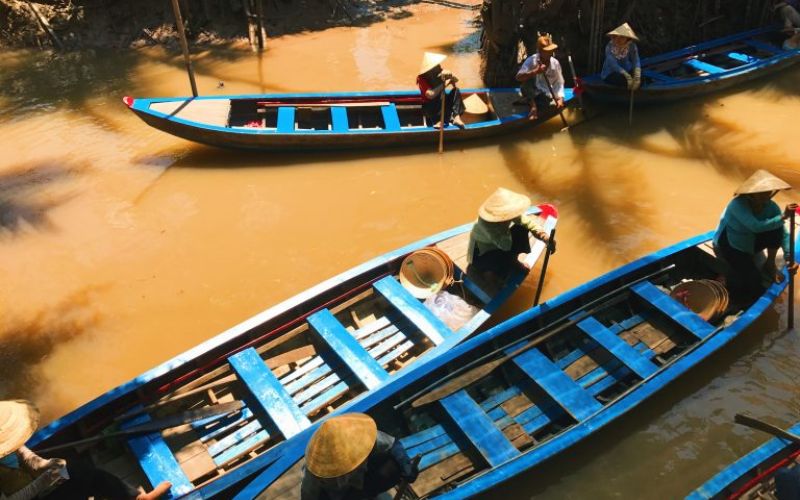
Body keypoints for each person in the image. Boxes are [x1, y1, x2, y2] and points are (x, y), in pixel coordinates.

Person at [0, 399, 171, 500]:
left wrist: (46, 465)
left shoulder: (9, 439)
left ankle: (135, 497)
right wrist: (44, 480)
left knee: (80, 470)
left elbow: (24, 454)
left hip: (38, 486)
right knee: (79, 476)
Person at [713, 170, 798, 307]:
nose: (765, 196)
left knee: (776, 229)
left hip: (750, 242)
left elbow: (783, 233)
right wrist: (783, 217)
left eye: (768, 193)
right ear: (751, 194)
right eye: (761, 193)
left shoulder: (771, 207)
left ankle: (770, 264)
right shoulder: (737, 205)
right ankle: (735, 302)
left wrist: (789, 257)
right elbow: (755, 226)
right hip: (730, 245)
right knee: (753, 280)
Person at [300, 413, 418, 500]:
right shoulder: (314, 474)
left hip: (362, 481)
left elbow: (393, 445)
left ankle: (368, 494)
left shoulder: (359, 436)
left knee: (393, 466)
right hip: (340, 496)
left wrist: (405, 464)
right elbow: (308, 496)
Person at [467, 187, 554, 280]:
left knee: (521, 227)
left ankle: (511, 262)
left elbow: (527, 222)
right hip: (482, 254)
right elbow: (505, 245)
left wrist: (544, 237)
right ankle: (494, 270)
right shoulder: (486, 224)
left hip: (499, 245)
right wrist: (504, 227)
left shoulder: (506, 215)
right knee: (500, 268)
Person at [515, 34, 566, 121]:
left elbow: (559, 82)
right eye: (547, 51)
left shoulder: (555, 63)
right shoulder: (532, 60)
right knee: (526, 84)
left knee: (544, 103)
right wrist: (535, 71)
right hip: (531, 88)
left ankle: (528, 100)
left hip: (545, 93)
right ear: (540, 51)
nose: (550, 53)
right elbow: (518, 77)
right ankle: (533, 106)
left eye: (551, 50)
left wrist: (560, 98)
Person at [416, 52, 466, 129]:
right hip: (430, 107)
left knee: (456, 90)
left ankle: (456, 117)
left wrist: (451, 76)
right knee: (440, 95)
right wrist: (445, 84)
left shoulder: (439, 72)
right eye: (436, 66)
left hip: (442, 104)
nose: (438, 67)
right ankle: (437, 121)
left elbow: (456, 81)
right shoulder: (422, 78)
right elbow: (430, 95)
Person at [601, 23, 641, 91]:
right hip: (611, 73)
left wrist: (637, 75)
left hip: (627, 69)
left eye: (622, 37)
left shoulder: (632, 46)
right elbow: (612, 63)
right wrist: (626, 75)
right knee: (622, 81)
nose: (619, 39)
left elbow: (636, 60)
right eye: (617, 36)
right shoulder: (609, 46)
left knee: (641, 77)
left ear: (627, 38)